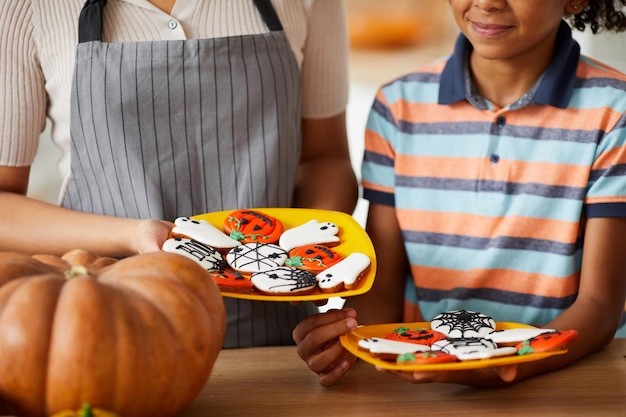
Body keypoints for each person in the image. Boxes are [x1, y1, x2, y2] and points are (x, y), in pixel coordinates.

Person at [293, 0, 626, 387]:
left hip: (569, 383)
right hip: (431, 382)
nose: (486, 2)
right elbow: (383, 288)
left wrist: (503, 364)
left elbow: (600, 307)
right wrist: (347, 336)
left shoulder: (614, 112)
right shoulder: (398, 107)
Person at [0, 0, 358, 348]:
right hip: (108, 337)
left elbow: (325, 158)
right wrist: (132, 235)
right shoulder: (26, 6)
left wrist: (307, 252)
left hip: (282, 346)